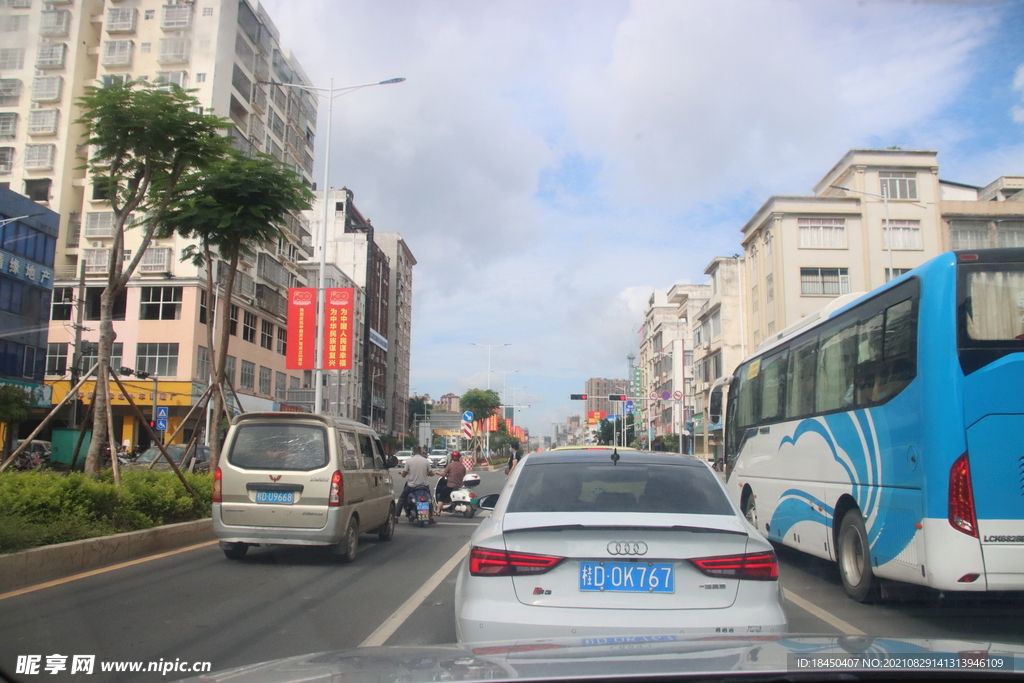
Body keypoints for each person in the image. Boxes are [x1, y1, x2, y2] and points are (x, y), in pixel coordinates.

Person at [397, 446, 435, 523]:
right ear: (421, 452)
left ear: (413, 452)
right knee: (429, 500)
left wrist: (402, 473)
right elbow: (431, 473)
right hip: (424, 486)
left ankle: (395, 516)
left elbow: (404, 475)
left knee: (401, 499)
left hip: (411, 486)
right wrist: (429, 473)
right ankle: (430, 516)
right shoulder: (426, 461)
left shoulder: (409, 461)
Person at [435, 450, 467, 515]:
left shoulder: (450, 465)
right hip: (459, 485)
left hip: (450, 485)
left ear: (452, 457)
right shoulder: (462, 466)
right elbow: (463, 474)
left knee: (441, 496)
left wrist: (437, 472)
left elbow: (444, 474)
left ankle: (438, 511)